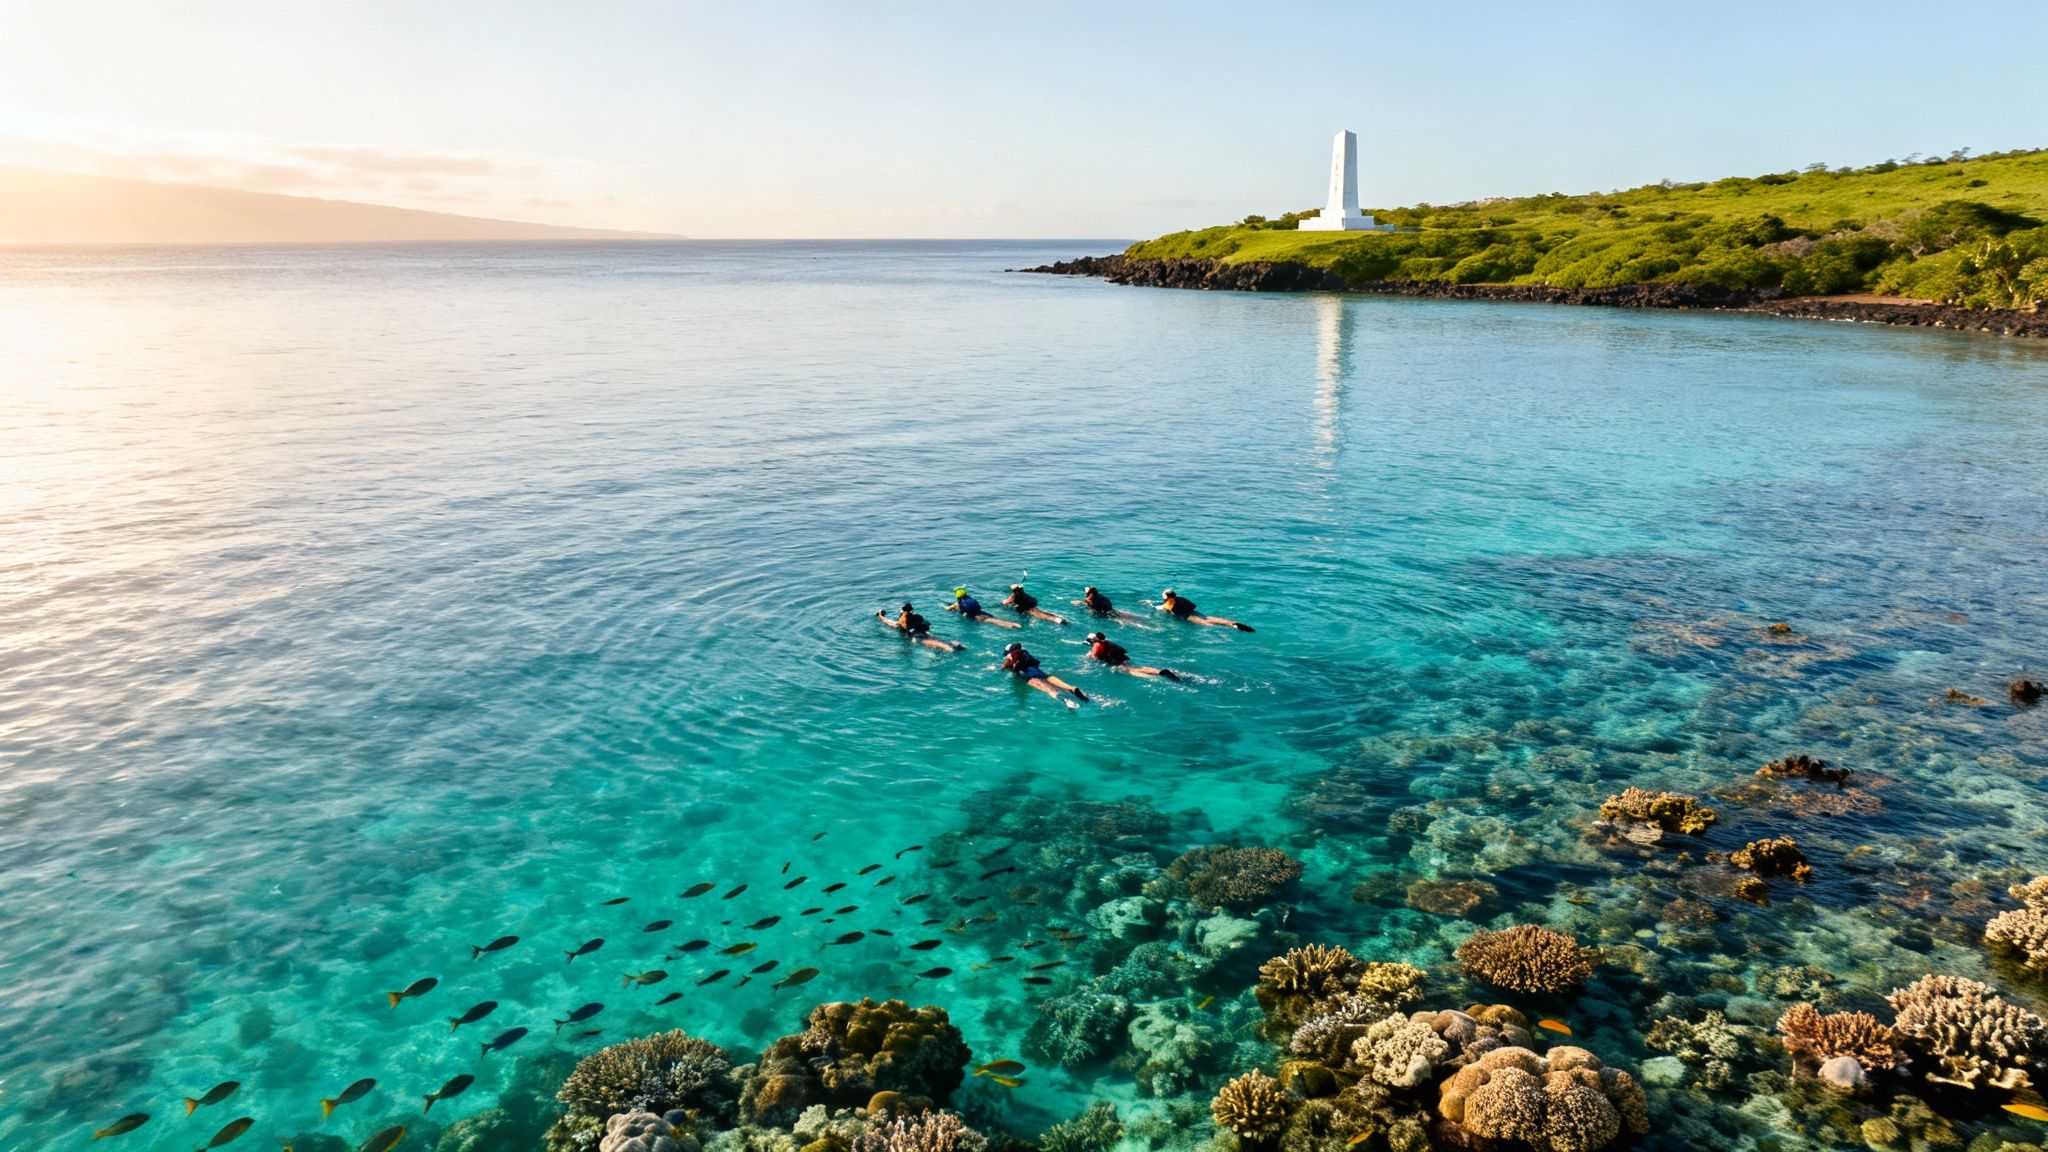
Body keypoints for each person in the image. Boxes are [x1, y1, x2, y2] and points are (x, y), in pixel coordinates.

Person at [1001, 642, 1086, 703]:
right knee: (1061, 684)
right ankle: (1073, 689)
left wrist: (1007, 669)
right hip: (1038, 671)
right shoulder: (1025, 653)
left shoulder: (1010, 657)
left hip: (1029, 676)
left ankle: (1065, 700)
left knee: (1048, 690)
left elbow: (1003, 668)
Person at [1086, 631, 1179, 681]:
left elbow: (1095, 657)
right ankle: (1159, 672)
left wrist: (1088, 657)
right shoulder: (1106, 642)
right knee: (1137, 667)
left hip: (1115, 661)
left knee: (1131, 672)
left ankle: (1157, 678)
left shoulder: (1096, 645)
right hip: (1123, 657)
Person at [878, 602, 964, 652]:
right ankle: (954, 644)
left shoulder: (902, 620)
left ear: (904, 613)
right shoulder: (918, 616)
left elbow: (890, 623)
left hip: (917, 637)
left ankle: (948, 648)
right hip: (925, 633)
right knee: (938, 639)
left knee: (935, 644)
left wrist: (880, 616)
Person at [1155, 588, 1254, 632]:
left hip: (1188, 616)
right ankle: (1233, 624)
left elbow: (1166, 610)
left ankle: (1223, 632)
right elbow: (1192, 605)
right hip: (1194, 612)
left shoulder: (1168, 601)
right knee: (1209, 618)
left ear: (1166, 596)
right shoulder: (1181, 598)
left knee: (1206, 624)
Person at [946, 587, 1020, 628]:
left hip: (977, 617)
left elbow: (948, 609)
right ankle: (1015, 624)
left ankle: (1011, 626)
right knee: (997, 620)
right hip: (982, 613)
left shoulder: (958, 604)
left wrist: (942, 606)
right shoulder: (971, 599)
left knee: (995, 622)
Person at [1001, 583, 1067, 625]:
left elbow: (1004, 603)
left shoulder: (1014, 596)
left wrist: (1009, 598)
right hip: (1031, 605)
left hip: (1026, 608)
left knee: (1038, 615)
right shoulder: (1023, 593)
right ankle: (1058, 618)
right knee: (1041, 612)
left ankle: (1056, 620)